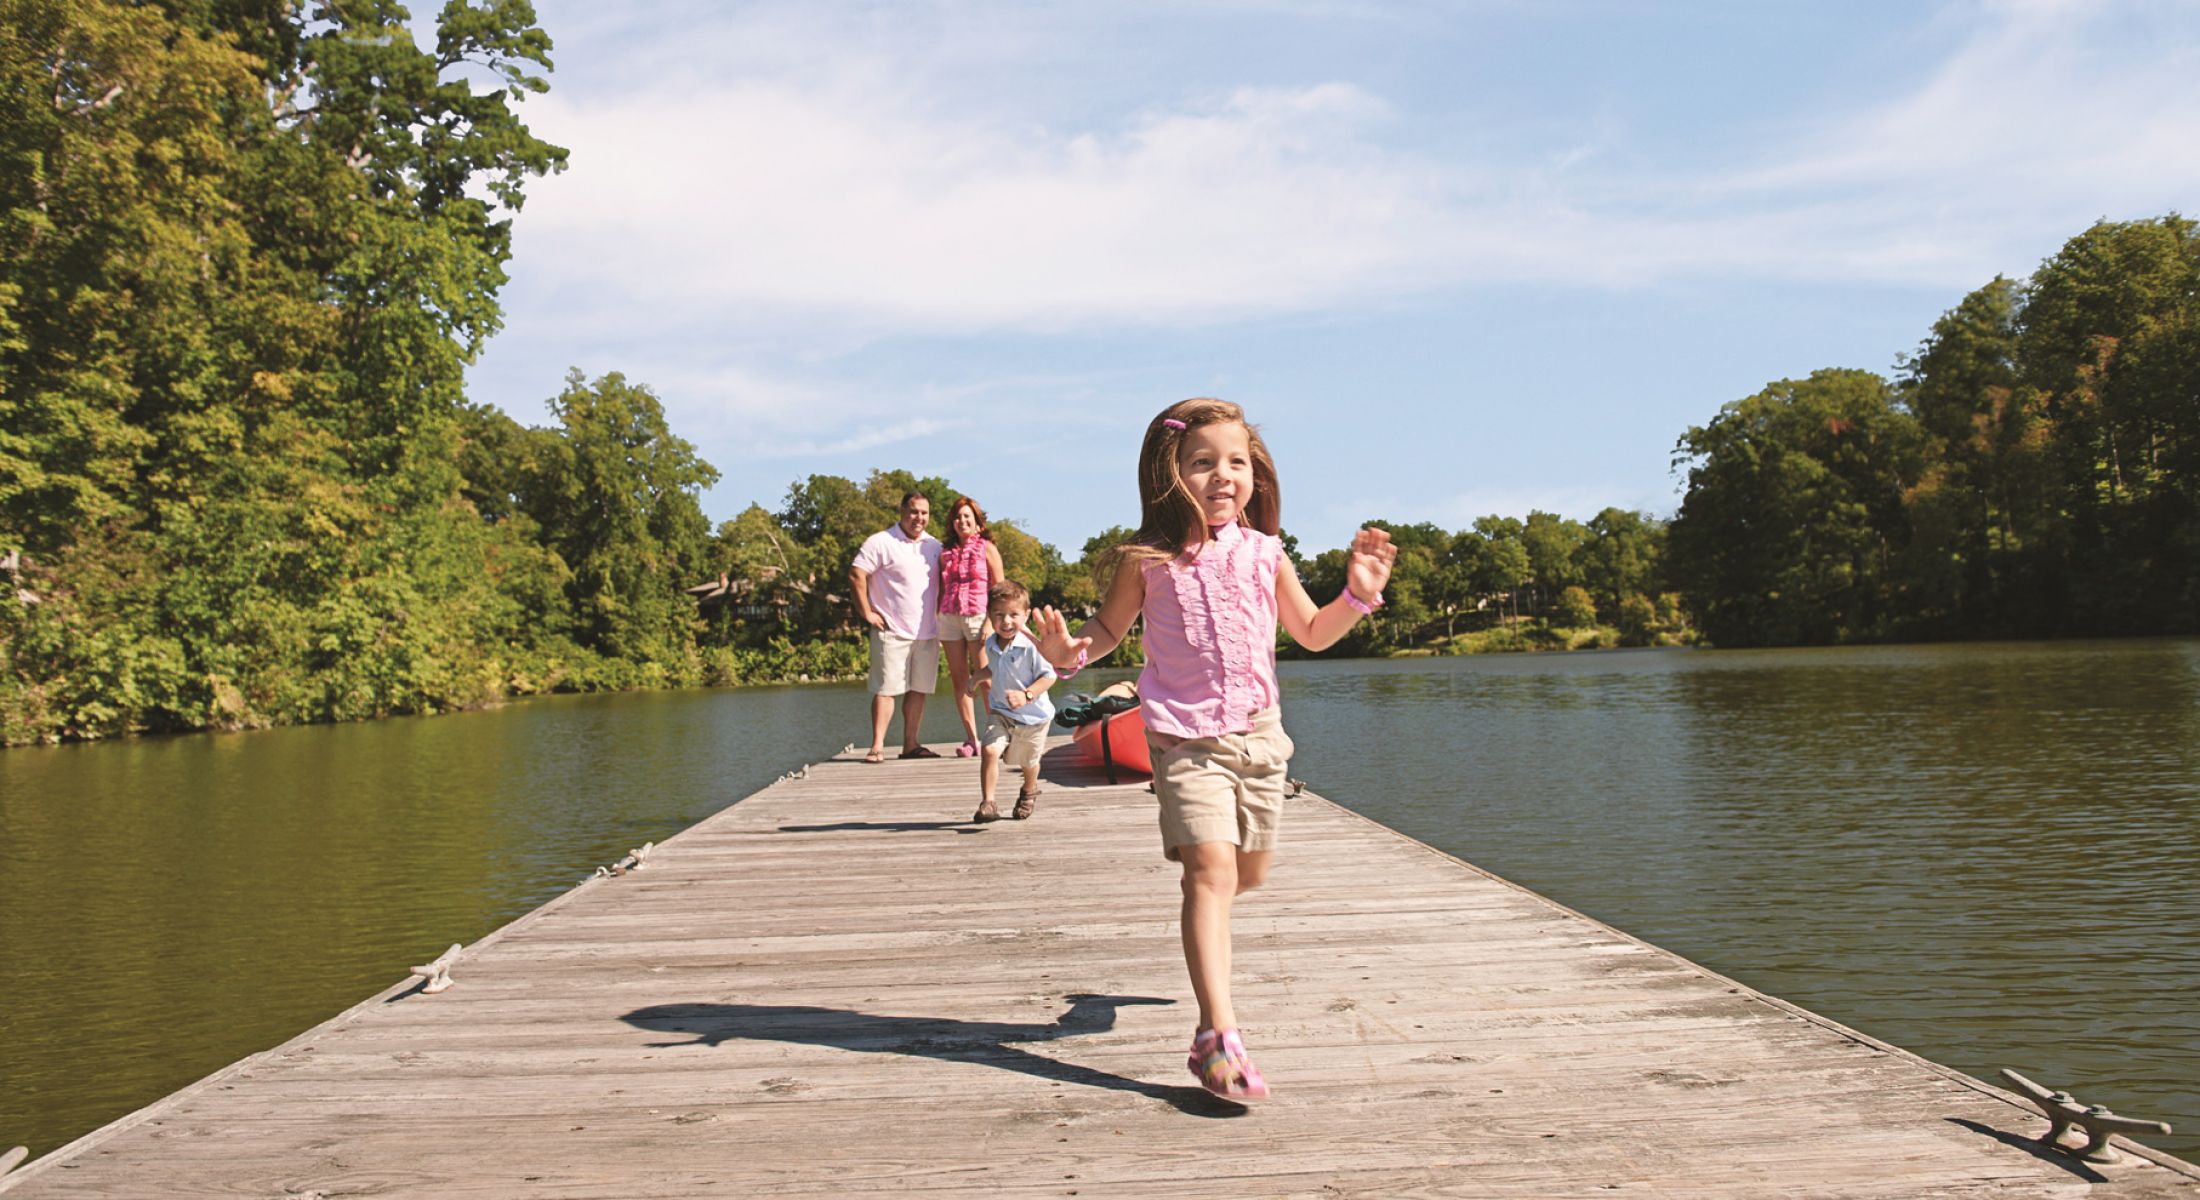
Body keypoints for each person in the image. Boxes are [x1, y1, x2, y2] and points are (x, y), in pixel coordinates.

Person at [1032, 398, 1395, 1101]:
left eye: (1236, 462)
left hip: (1260, 738)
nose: (1222, 475)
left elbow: (1313, 633)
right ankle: (1216, 1037)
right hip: (1184, 740)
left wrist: (1355, 597)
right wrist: (1067, 652)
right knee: (1211, 874)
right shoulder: (1147, 561)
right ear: (1170, 474)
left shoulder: (1266, 553)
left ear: (1255, 473)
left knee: (1246, 875)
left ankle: (1161, 962)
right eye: (1202, 462)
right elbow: (1105, 633)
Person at [850, 492, 944, 762]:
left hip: (927, 631)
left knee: (919, 690)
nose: (919, 518)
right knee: (887, 690)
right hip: (891, 630)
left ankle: (910, 745)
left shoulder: (934, 546)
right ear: (902, 511)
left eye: (924, 513)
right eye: (914, 512)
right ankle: (877, 746)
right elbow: (856, 574)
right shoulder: (881, 541)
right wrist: (866, 612)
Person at [965, 580, 1056, 823]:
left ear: (1026, 615)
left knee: (1028, 762)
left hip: (1033, 717)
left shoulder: (1032, 646)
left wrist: (1027, 695)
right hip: (1001, 711)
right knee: (989, 750)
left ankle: (1029, 789)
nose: (1006, 621)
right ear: (989, 615)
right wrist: (977, 677)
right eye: (999, 614)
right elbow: (995, 668)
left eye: (1013, 615)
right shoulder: (991, 643)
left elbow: (1049, 676)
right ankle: (988, 803)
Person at [935, 496, 1007, 757]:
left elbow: (1000, 589)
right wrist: (937, 619)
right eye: (957, 517)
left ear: (978, 522)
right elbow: (941, 589)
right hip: (950, 618)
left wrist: (991, 621)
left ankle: (995, 736)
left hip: (979, 617)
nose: (962, 521)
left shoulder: (988, 548)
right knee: (959, 679)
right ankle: (971, 739)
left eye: (967, 516)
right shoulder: (945, 554)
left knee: (985, 678)